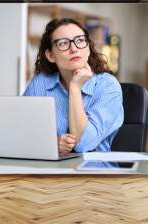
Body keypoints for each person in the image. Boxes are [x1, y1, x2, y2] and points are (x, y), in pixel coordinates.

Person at [23, 18, 124, 153]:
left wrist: (75, 88)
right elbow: (20, 132)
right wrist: (51, 143)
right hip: (48, 169)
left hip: (95, 169)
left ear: (88, 48)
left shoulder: (108, 86)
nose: (74, 48)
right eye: (63, 43)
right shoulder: (40, 83)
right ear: (51, 55)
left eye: (80, 40)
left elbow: (83, 144)